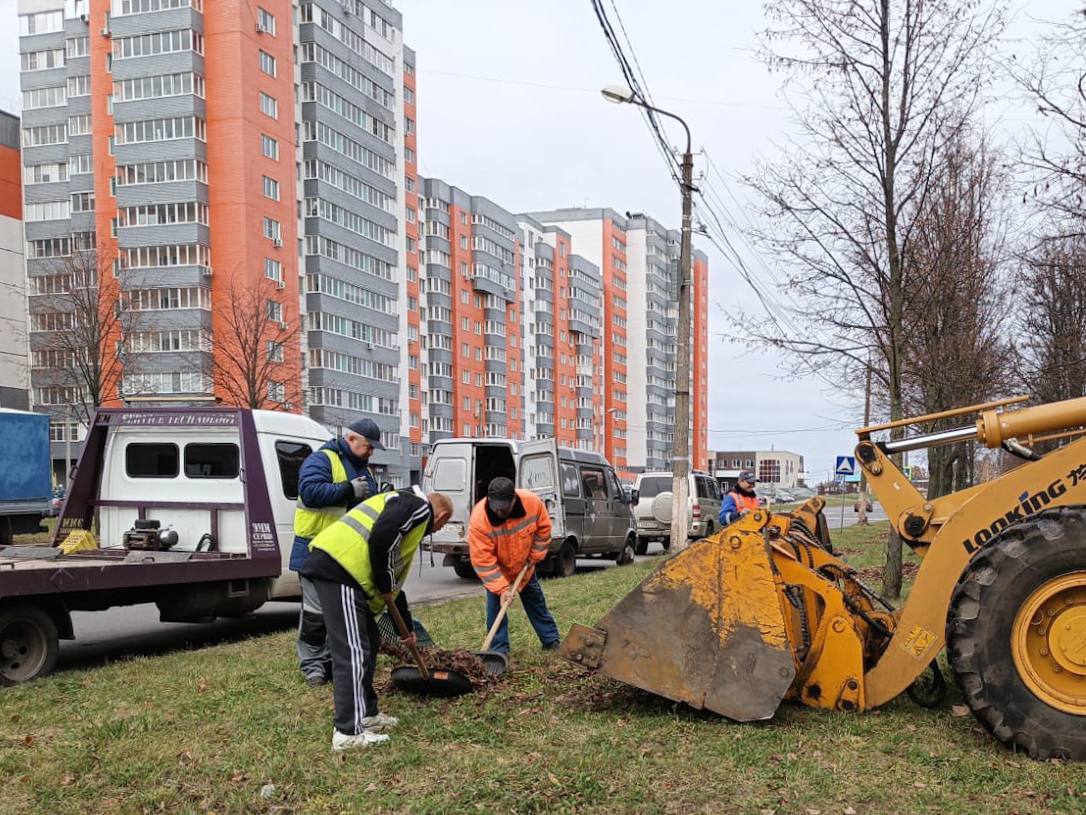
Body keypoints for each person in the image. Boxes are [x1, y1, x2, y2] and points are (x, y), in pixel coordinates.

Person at [301, 487, 453, 751]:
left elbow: (394, 589)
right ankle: (348, 731)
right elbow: (381, 539)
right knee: (352, 652)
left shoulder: (408, 524)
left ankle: (368, 714)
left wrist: (404, 628)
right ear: (441, 516)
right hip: (341, 570)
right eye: (443, 523)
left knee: (368, 643)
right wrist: (384, 583)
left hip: (346, 574)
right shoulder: (415, 506)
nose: (439, 529)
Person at [291, 418, 385, 687]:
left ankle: (332, 662)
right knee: (314, 613)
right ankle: (313, 667)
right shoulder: (321, 460)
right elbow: (309, 493)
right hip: (314, 550)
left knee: (339, 613)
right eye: (368, 446)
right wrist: (348, 490)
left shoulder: (361, 468)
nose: (371, 452)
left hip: (345, 556)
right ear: (351, 439)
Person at [468, 477, 561, 654]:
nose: (499, 511)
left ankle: (551, 640)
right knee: (496, 608)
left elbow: (544, 530)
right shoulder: (479, 520)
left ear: (514, 499)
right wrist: (502, 589)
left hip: (525, 567)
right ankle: (498, 650)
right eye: (496, 506)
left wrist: (535, 556)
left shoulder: (532, 503)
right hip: (497, 571)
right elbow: (483, 561)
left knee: (536, 603)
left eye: (504, 507)